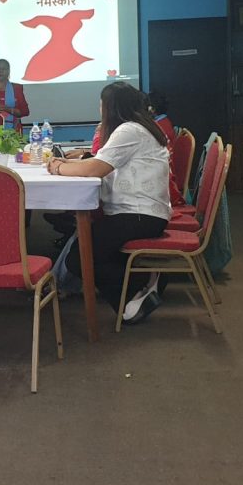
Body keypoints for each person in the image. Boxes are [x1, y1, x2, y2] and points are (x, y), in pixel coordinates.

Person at [49, 82, 171, 324]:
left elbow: (95, 168)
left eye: (101, 104)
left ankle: (134, 295)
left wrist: (59, 168)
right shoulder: (138, 127)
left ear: (111, 107)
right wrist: (69, 163)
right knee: (91, 249)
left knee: (79, 258)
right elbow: (100, 160)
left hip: (139, 214)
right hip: (143, 212)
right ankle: (144, 281)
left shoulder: (129, 130)